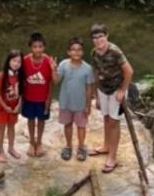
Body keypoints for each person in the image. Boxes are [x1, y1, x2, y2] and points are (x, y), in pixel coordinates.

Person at [90, 24, 133, 173]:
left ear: (106, 36)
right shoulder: (94, 53)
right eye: (95, 38)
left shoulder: (115, 51)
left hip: (116, 91)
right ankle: (106, 146)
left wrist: (123, 90)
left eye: (101, 36)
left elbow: (129, 71)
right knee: (106, 118)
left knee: (114, 122)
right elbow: (95, 73)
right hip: (103, 89)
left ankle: (112, 157)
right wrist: (96, 95)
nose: (98, 40)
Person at [56, 37, 95, 162]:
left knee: (81, 126)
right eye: (73, 50)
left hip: (80, 104)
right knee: (67, 124)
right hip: (66, 102)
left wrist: (88, 105)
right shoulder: (63, 64)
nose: (76, 52)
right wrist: (53, 68)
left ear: (82, 52)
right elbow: (56, 80)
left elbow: (89, 88)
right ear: (68, 52)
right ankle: (68, 146)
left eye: (79, 50)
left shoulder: (87, 68)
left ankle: (81, 147)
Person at [22, 31, 55, 157]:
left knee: (41, 120)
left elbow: (51, 81)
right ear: (31, 48)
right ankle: (32, 142)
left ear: (44, 47)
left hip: (43, 98)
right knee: (30, 119)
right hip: (29, 97)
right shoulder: (24, 61)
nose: (38, 49)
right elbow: (21, 79)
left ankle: (39, 142)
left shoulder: (48, 60)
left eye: (40, 46)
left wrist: (49, 98)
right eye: (35, 47)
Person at [0, 50, 22, 163]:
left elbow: (21, 92)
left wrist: (18, 105)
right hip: (2, 108)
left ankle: (11, 148)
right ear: (8, 61)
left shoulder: (19, 75)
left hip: (13, 107)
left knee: (12, 127)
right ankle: (0, 151)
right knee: (1, 128)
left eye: (19, 62)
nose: (16, 64)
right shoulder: (2, 75)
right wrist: (4, 106)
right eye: (14, 61)